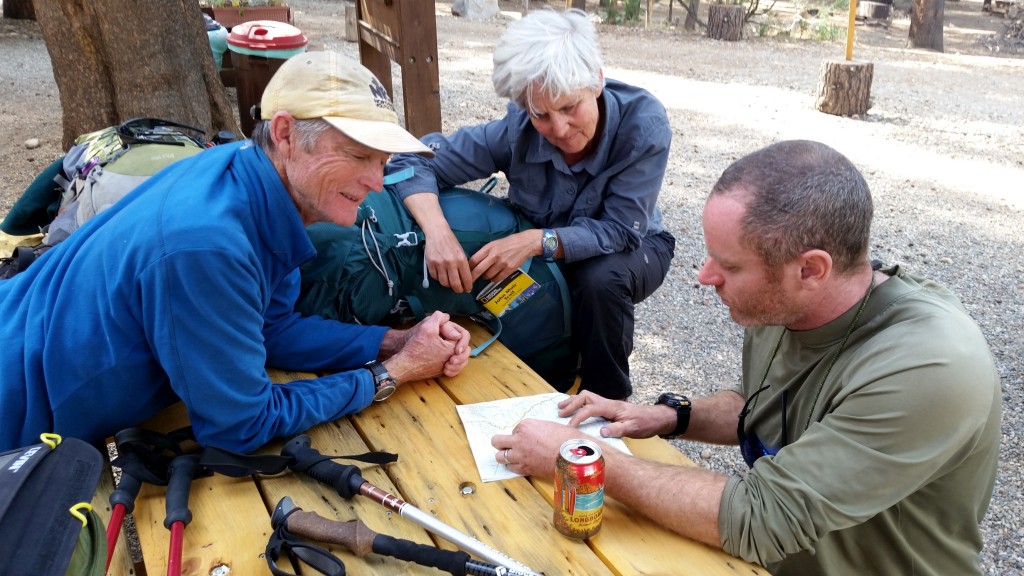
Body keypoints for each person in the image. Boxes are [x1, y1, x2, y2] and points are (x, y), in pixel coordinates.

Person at [491, 140, 1002, 574]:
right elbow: (767, 404)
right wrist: (668, 417)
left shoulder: (931, 368)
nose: (704, 276)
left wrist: (580, 458)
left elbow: (760, 519)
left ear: (811, 269)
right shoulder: (788, 305)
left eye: (729, 264)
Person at [0, 51, 472, 453]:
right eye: (357, 155)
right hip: (15, 425)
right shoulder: (210, 244)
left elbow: (269, 326)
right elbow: (240, 425)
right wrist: (392, 373)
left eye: (384, 162)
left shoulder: (246, 174)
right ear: (285, 133)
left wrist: (393, 341)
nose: (376, 182)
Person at [387, 8, 675, 399]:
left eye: (570, 108)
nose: (559, 129)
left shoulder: (644, 125)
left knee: (597, 280)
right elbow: (413, 159)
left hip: (634, 247)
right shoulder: (518, 127)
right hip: (543, 246)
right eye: (541, 114)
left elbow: (621, 230)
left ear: (597, 82)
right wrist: (437, 233)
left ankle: (607, 401)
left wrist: (535, 241)